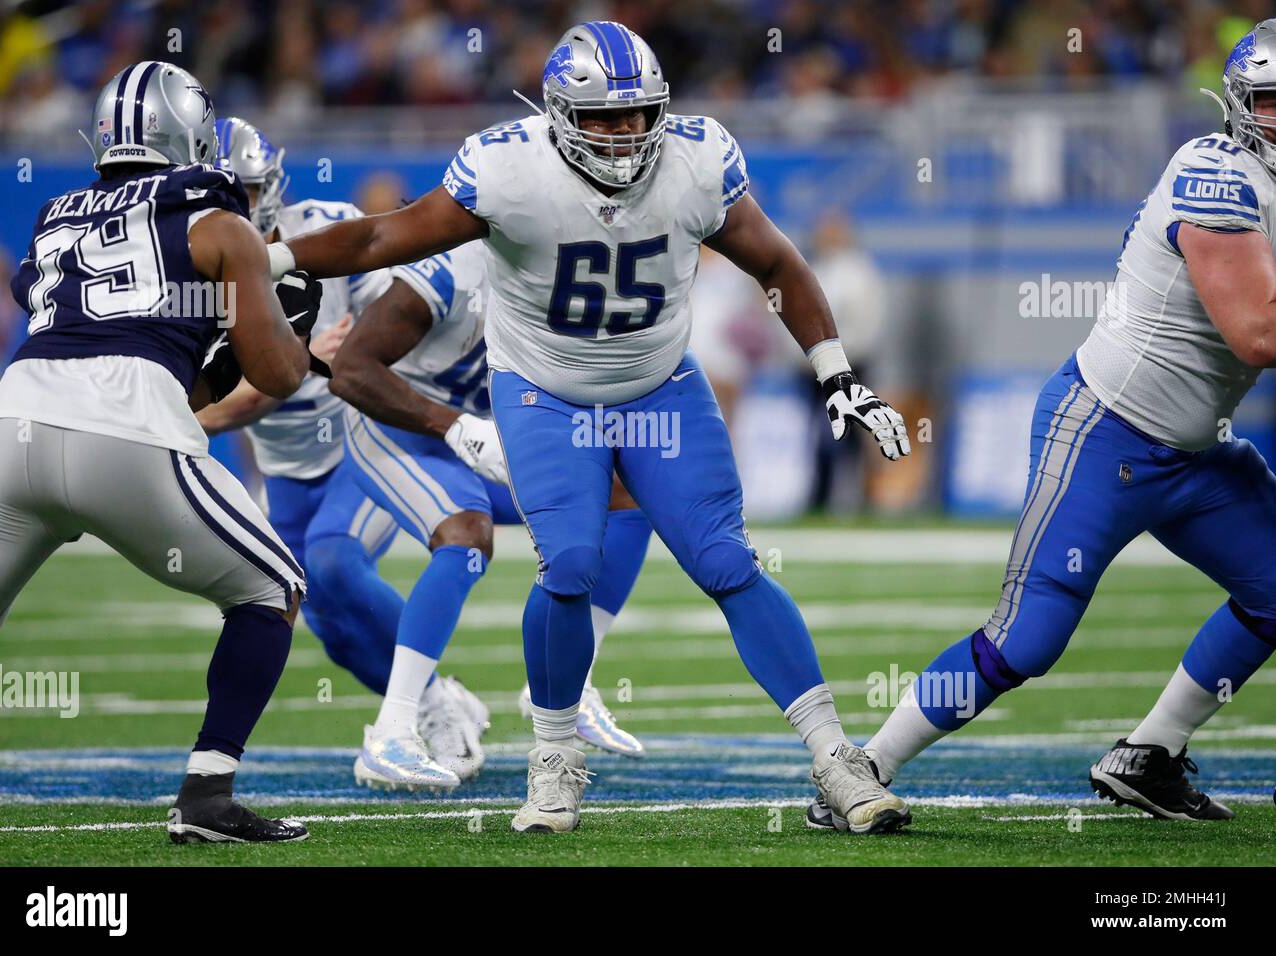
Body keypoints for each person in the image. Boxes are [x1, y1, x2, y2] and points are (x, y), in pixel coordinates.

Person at [266, 22, 912, 835]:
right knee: (568, 563)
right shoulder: (509, 168)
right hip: (545, 393)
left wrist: (837, 375)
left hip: (660, 387)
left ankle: (836, 757)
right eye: (602, 118)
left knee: (728, 563)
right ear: (559, 113)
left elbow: (777, 261)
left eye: (638, 115)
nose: (623, 134)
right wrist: (275, 261)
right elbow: (376, 236)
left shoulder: (696, 159)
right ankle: (554, 757)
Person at [853, 22, 1276, 826]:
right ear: (1240, 108)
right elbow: (1258, 332)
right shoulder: (1213, 171)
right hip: (1108, 433)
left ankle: (1150, 755)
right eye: (1275, 103)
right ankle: (864, 764)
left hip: (1200, 452)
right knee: (1027, 641)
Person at [0, 63, 319, 843]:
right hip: (123, 430)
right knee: (271, 588)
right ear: (193, 136)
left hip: (15, 421)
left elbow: (106, 334)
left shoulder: (55, 215)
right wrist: (278, 322)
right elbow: (276, 374)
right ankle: (207, 797)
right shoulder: (217, 219)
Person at [327, 238, 653, 789]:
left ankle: (573, 682)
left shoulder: (569, 263)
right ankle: (392, 729)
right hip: (398, 431)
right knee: (466, 536)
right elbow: (351, 371)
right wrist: (452, 425)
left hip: (481, 433)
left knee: (624, 495)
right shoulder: (449, 272)